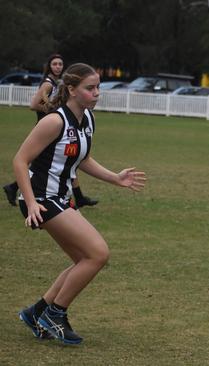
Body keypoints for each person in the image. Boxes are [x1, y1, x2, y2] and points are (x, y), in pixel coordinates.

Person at [14, 63, 146, 344]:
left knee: (83, 259)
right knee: (97, 253)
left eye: (98, 87)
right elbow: (20, 161)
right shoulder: (53, 121)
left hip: (59, 198)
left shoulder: (87, 119)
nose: (97, 93)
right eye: (90, 88)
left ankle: (36, 312)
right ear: (71, 90)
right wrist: (30, 202)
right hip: (41, 199)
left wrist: (115, 178)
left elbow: (81, 158)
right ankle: (54, 315)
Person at [3, 54, 99, 208]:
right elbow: (34, 104)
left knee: (66, 161)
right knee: (49, 164)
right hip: (49, 130)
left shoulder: (61, 87)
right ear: (49, 66)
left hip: (61, 129)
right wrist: (53, 109)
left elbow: (84, 160)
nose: (58, 67)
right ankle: (21, 191)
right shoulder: (48, 85)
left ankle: (77, 197)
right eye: (54, 64)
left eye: (60, 64)